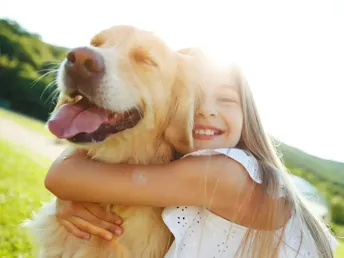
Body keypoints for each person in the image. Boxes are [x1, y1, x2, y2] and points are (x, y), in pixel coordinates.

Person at [44, 50, 337, 257]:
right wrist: (76, 197)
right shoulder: (189, 173)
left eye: (224, 99)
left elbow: (63, 178)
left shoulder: (226, 174)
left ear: (248, 117)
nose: (206, 109)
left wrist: (70, 192)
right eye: (190, 97)